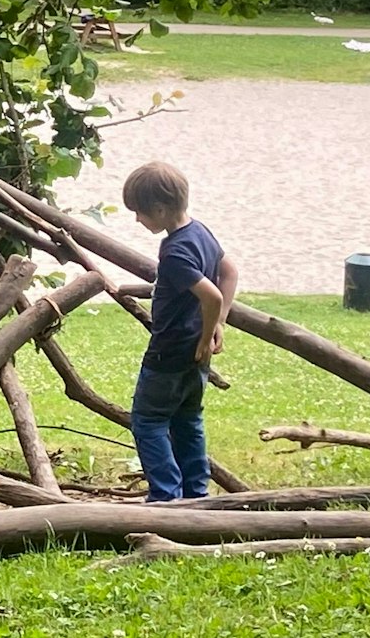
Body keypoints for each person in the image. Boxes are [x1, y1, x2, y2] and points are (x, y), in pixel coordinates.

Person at [121, 161, 240, 501]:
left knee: (148, 421)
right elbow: (229, 270)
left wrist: (208, 332)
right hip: (194, 359)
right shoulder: (200, 231)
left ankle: (166, 497)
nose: (137, 220)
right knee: (188, 419)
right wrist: (218, 323)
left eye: (139, 213)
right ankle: (195, 492)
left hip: (169, 353)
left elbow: (211, 294)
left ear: (159, 209)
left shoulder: (173, 251)